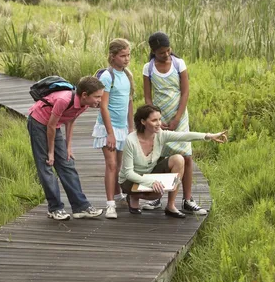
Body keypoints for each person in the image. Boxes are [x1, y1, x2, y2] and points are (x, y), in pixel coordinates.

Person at [119, 104, 227, 218]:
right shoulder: (131, 140)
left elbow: (184, 136)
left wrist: (209, 136)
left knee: (178, 160)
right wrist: (151, 182)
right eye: (154, 120)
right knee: (155, 191)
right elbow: (128, 173)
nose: (159, 123)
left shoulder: (160, 135)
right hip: (129, 181)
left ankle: (170, 206)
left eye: (159, 119)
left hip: (149, 175)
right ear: (143, 122)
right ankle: (133, 196)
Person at [142, 31, 205, 215]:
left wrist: (177, 118)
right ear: (153, 52)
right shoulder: (148, 67)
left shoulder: (178, 64)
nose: (166, 54)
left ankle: (187, 199)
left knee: (185, 155)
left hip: (179, 116)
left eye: (168, 50)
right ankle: (157, 198)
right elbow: (148, 96)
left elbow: (185, 92)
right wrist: (155, 120)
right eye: (162, 52)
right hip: (158, 119)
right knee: (161, 156)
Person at [28, 76, 105, 221]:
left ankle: (80, 207)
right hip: (39, 123)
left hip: (53, 125)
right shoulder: (63, 100)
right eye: (97, 96)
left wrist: (68, 147)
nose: (99, 100)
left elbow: (70, 121)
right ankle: (55, 208)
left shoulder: (85, 104)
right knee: (47, 165)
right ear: (84, 95)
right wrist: (51, 153)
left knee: (67, 163)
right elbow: (50, 126)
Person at [92, 38, 135, 219]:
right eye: (122, 56)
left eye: (128, 55)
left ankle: (118, 197)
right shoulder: (107, 76)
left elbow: (129, 102)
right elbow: (103, 106)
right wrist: (110, 133)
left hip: (122, 128)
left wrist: (131, 129)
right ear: (113, 56)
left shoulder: (127, 75)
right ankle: (110, 204)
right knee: (110, 165)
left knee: (118, 166)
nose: (126, 59)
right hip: (107, 128)